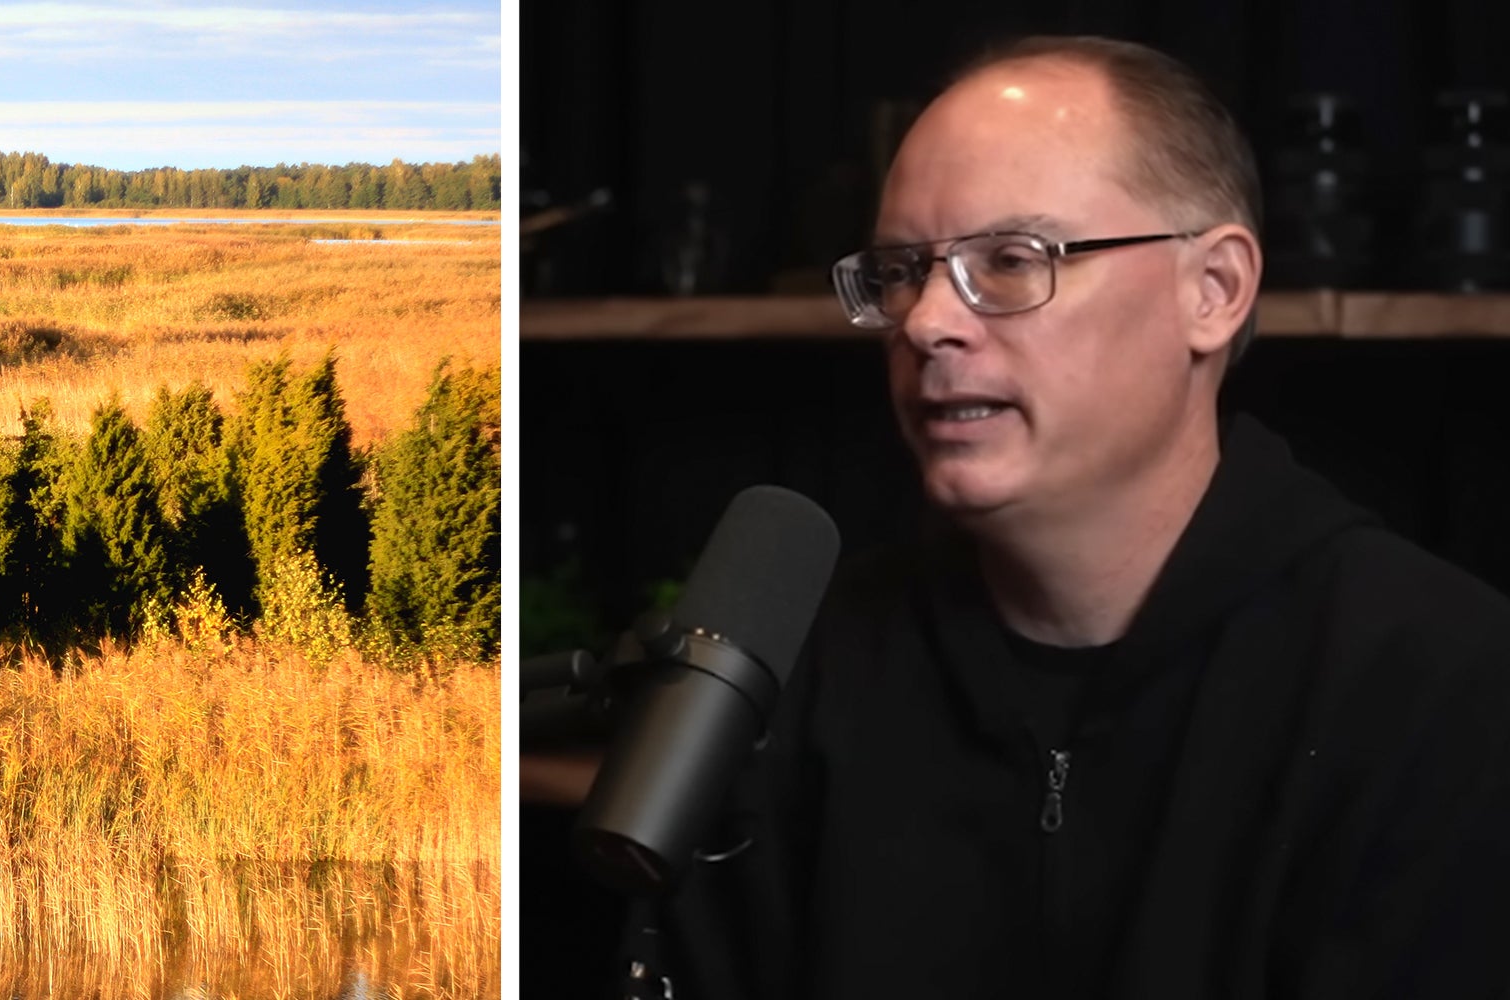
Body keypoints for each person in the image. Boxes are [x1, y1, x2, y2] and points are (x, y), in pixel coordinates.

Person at [579, 35, 1510, 999]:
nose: (930, 320)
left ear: (1216, 291)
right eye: (902, 269)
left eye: (1013, 260)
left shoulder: (1440, 680)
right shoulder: (808, 667)